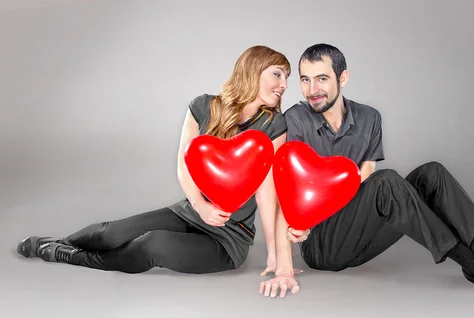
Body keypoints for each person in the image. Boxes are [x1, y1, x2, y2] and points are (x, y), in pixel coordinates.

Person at [259, 43, 474, 298]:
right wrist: (284, 266)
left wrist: (376, 202)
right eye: (304, 79)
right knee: (388, 183)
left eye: (322, 78)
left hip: (361, 232)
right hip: (321, 243)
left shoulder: (369, 118)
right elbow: (286, 190)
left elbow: (365, 180)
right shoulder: (296, 120)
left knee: (432, 173)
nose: (311, 89)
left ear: (343, 78)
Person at [16, 45, 292, 276]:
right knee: (109, 234)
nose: (284, 84)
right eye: (278, 74)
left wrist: (275, 252)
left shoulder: (273, 125)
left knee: (151, 245)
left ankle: (69, 255)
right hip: (191, 212)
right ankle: (60, 241)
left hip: (228, 237)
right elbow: (185, 162)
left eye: (287, 78)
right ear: (252, 69)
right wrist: (200, 205)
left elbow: (268, 190)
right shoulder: (204, 106)